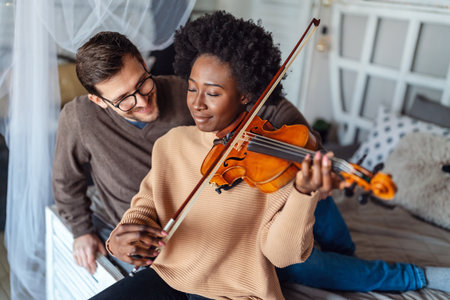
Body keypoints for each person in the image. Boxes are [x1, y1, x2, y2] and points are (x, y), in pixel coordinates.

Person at [97, 11, 450, 297]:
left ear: (249, 95)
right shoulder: (171, 144)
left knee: (309, 261)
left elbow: (282, 255)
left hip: (242, 281)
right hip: (170, 274)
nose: (197, 104)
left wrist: (305, 192)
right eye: (191, 88)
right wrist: (120, 236)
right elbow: (147, 203)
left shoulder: (279, 154)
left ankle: (408, 272)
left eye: (213, 94)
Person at [52, 31, 321, 275]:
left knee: (302, 246)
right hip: (145, 235)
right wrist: (82, 231)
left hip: (209, 218)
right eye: (124, 99)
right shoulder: (78, 117)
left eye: (143, 83)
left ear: (145, 65)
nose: (143, 101)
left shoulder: (188, 91)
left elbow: (272, 105)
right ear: (98, 101)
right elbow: (66, 180)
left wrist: (305, 142)